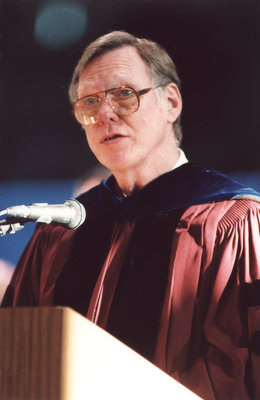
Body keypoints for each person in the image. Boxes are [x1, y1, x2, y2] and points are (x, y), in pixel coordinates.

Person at [2, 31, 260, 399]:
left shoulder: (231, 221)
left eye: (124, 94)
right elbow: (17, 363)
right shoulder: (59, 234)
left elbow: (245, 374)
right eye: (89, 102)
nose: (104, 113)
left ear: (171, 102)